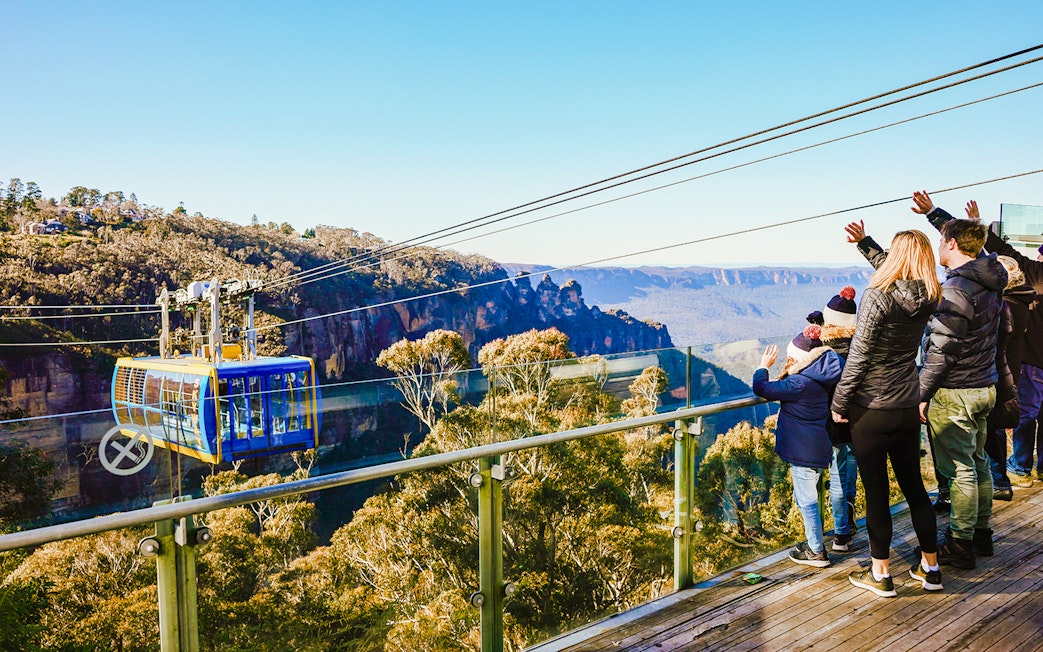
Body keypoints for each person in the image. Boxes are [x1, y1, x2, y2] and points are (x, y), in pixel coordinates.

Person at [832, 226, 941, 597]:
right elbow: (902, 280)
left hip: (871, 409)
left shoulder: (877, 295)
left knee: (876, 492)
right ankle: (930, 567)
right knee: (915, 488)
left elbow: (859, 357)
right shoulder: (929, 295)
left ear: (896, 258)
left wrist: (839, 404)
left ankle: (880, 575)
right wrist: (866, 244)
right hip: (907, 406)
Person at [910, 192, 1007, 569]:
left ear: (951, 244)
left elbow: (942, 351)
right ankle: (981, 534)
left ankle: (960, 543)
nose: (938, 246)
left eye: (940, 239)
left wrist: (922, 394)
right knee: (979, 462)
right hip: (985, 385)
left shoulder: (956, 289)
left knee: (960, 470)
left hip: (957, 392)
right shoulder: (990, 278)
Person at [753, 325, 843, 568]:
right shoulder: (826, 375)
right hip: (820, 445)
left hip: (804, 451)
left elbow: (762, 388)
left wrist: (763, 366)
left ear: (802, 359)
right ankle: (820, 543)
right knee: (811, 496)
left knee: (807, 501)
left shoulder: (800, 383)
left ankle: (816, 551)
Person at [820, 287, 859, 551]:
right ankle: (850, 512)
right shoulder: (860, 347)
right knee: (852, 464)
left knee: (836, 471)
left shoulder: (822, 351)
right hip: (859, 416)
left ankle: (841, 532)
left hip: (832, 417)